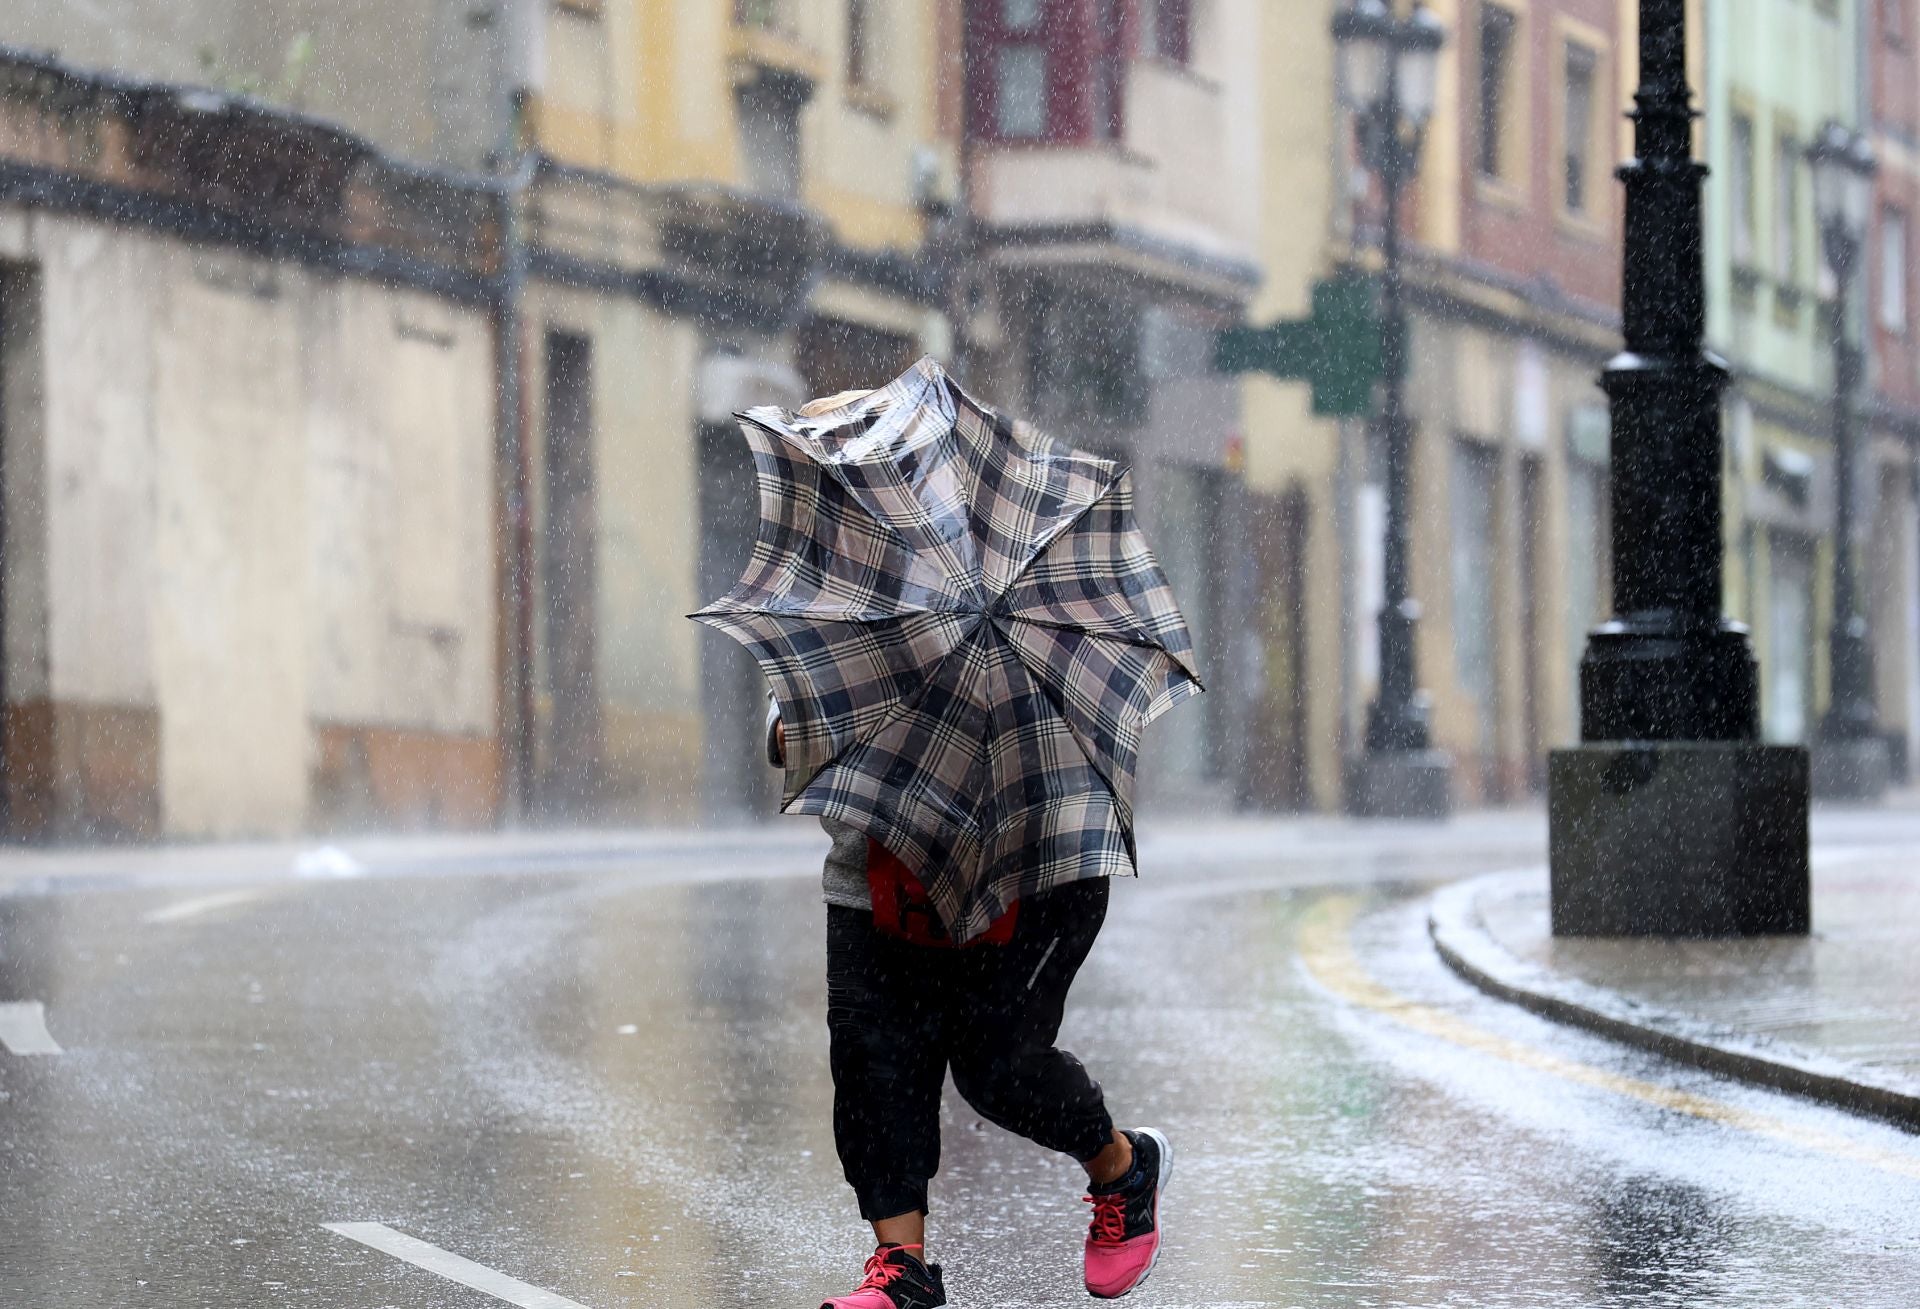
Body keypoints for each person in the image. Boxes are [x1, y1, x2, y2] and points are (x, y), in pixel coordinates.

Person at [768, 703, 1173, 1308]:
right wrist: (800, 726)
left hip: (1036, 870)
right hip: (878, 872)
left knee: (998, 1070)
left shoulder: (1045, 620)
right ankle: (902, 1269)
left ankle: (1123, 1167)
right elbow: (790, 716)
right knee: (872, 1063)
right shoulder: (862, 608)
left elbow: (1097, 724)